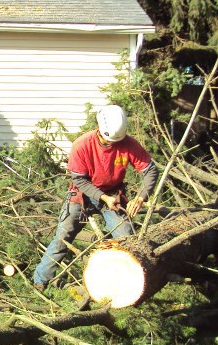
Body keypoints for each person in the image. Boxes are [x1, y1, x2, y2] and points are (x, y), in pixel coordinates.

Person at [33, 105, 159, 289]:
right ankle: (40, 280)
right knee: (64, 234)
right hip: (82, 194)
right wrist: (102, 197)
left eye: (116, 142)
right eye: (108, 141)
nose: (112, 145)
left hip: (113, 196)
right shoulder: (82, 145)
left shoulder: (128, 144)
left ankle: (123, 284)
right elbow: (79, 180)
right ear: (99, 129)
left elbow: (150, 170)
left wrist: (140, 197)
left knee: (126, 238)